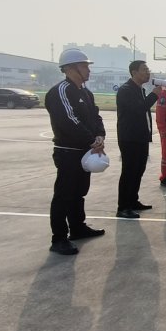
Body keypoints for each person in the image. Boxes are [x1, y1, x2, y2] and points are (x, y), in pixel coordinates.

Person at [44, 48, 106, 255]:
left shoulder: (85, 92)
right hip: (68, 152)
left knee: (79, 192)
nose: (88, 70)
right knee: (64, 195)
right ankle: (59, 238)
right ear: (70, 68)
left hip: (85, 151)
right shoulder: (61, 91)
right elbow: (69, 121)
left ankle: (78, 227)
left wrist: (100, 136)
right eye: (84, 66)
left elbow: (96, 117)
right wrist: (91, 140)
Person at [116, 60, 161, 218]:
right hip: (129, 138)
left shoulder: (139, 89)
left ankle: (133, 201)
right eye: (144, 69)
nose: (148, 72)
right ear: (134, 72)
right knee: (129, 172)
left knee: (138, 170)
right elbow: (139, 109)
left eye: (148, 69)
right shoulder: (126, 90)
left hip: (140, 137)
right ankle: (123, 207)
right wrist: (154, 95)